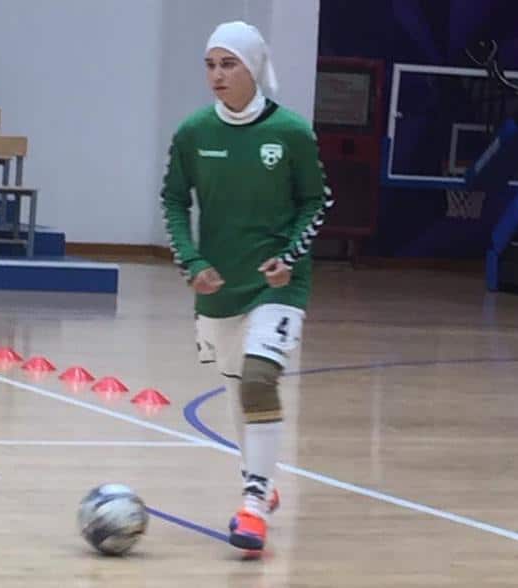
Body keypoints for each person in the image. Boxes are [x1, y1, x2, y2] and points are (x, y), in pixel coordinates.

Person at [160, 20, 332, 552]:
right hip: (218, 289)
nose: (216, 74)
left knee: (259, 378)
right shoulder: (193, 133)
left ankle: (253, 502)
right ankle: (261, 480)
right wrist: (190, 260)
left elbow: (317, 201)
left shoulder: (292, 134)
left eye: (228, 63)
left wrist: (290, 257)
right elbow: (171, 201)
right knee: (240, 388)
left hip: (278, 284)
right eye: (210, 64)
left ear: (253, 67)